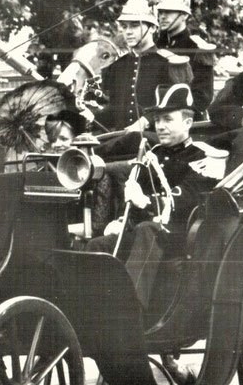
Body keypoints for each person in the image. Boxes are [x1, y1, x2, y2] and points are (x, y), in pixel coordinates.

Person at [86, 84, 227, 307]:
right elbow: (135, 196)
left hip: (181, 236)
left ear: (188, 123)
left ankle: (130, 310)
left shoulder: (203, 157)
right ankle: (91, 308)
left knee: (146, 230)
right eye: (158, 120)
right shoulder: (154, 154)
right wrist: (122, 219)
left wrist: (146, 201)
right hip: (147, 232)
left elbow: (185, 199)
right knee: (98, 246)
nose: (160, 126)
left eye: (168, 120)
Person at [99, 0, 195, 136]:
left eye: (134, 26)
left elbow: (179, 107)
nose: (128, 32)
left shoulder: (169, 63)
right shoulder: (117, 66)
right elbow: (113, 110)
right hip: (121, 140)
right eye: (124, 27)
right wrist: (88, 117)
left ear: (152, 28)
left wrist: (145, 121)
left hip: (157, 139)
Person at [154, 0, 215, 120]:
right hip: (153, 117)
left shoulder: (198, 48)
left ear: (184, 16)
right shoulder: (156, 44)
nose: (163, 17)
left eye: (169, 12)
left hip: (187, 122)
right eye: (161, 12)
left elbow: (202, 98)